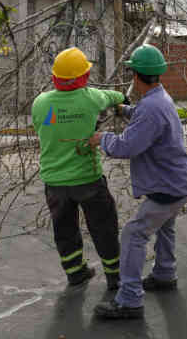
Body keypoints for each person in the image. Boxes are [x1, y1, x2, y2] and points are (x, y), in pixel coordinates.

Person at [89, 44, 187, 320]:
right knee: (165, 227)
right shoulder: (159, 98)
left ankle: (129, 300)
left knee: (133, 234)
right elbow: (143, 115)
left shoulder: (151, 108)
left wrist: (102, 139)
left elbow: (127, 146)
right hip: (177, 182)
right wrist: (123, 110)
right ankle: (164, 274)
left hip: (167, 187)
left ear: (136, 76)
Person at [32, 47, 126, 290]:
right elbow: (114, 97)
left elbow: (46, 129)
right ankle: (115, 276)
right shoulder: (91, 98)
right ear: (83, 78)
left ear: (54, 78)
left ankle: (75, 272)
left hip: (54, 183)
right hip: (87, 180)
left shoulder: (40, 103)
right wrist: (123, 102)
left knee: (64, 228)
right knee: (103, 226)